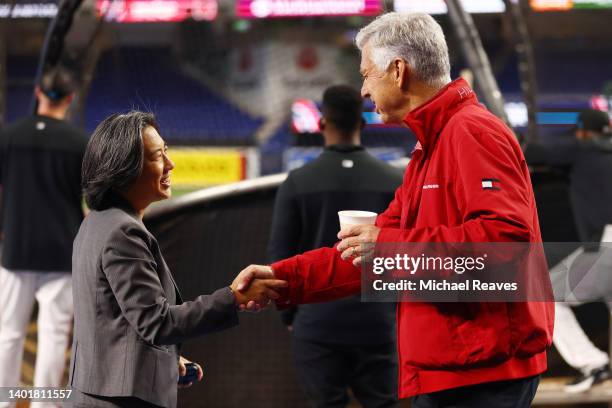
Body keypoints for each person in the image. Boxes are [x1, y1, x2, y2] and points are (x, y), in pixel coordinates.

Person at [238, 12, 554, 408]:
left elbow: (505, 247)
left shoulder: (472, 132)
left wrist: (389, 248)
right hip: (454, 366)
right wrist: (282, 279)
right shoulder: (431, 146)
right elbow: (364, 256)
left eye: (367, 74)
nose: (364, 90)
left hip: (480, 372)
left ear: (398, 71)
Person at [69, 111, 286, 408]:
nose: (170, 164)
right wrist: (233, 298)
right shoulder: (124, 232)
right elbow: (155, 323)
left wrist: (162, 360)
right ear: (125, 169)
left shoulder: (98, 222)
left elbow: (112, 319)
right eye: (158, 156)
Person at [269, 85, 401, 408]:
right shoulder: (395, 180)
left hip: (318, 325)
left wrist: (290, 317)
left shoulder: (297, 182)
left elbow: (280, 257)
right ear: (363, 124)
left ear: (322, 124)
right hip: (379, 322)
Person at [0, 67, 87, 408]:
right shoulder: (79, 143)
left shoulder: (8, 136)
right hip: (62, 251)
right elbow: (93, 201)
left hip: (15, 249)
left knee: (8, 333)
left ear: (38, 92)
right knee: (53, 337)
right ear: (70, 98)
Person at [525, 108, 612, 392]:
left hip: (608, 242)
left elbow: (534, 153)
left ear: (584, 132)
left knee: (543, 297)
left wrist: (509, 134)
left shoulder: (583, 148)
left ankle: (593, 364)